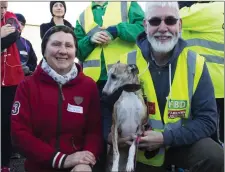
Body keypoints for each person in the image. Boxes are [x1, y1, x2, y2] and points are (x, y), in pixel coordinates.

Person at [113, 2, 224, 172]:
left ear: (179, 25)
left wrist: (165, 138)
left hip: (179, 144)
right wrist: (112, 137)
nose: (163, 28)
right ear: (145, 25)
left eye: (170, 21)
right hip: (138, 150)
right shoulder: (126, 62)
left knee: (214, 155)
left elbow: (208, 120)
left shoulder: (196, 63)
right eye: (155, 21)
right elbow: (105, 107)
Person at [11, 25, 102, 172]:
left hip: (77, 167)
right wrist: (61, 160)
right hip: (38, 168)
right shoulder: (27, 86)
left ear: (75, 51)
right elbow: (19, 134)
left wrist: (86, 161)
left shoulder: (88, 86)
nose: (63, 51)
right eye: (56, 44)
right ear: (44, 49)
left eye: (69, 45)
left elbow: (94, 131)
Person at [74, 1, 144, 169]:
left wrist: (117, 30)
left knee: (127, 134)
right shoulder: (83, 16)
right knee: (96, 132)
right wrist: (90, 40)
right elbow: (76, 49)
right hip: (94, 85)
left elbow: (144, 29)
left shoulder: (129, 5)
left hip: (126, 84)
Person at [179, 1, 224, 143]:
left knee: (209, 134)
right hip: (217, 83)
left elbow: (173, 17)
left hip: (209, 85)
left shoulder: (206, 9)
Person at [1, 1, 24, 171]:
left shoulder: (11, 17)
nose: (3, 11)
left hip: (10, 81)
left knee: (6, 123)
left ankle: (4, 164)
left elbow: (13, 35)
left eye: (4, 7)